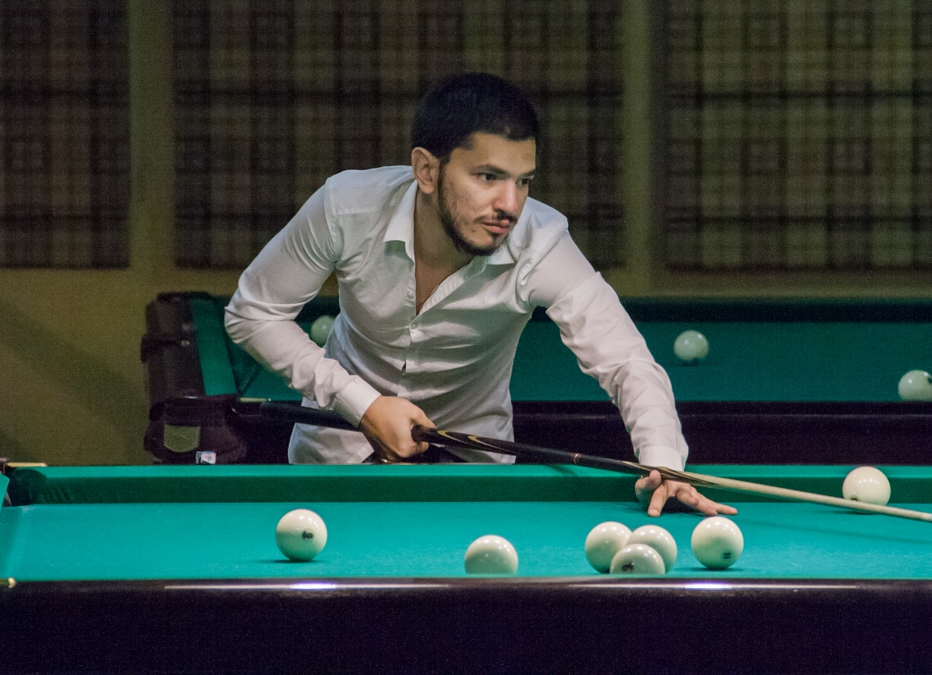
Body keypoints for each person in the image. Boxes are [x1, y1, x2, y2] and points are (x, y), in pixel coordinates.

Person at [224, 73, 734, 517]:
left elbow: (626, 361)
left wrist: (663, 458)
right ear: (427, 170)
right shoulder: (346, 208)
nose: (509, 204)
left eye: (523, 181)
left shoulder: (542, 243)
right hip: (333, 462)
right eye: (488, 177)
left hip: (475, 479)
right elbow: (252, 315)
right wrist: (360, 402)